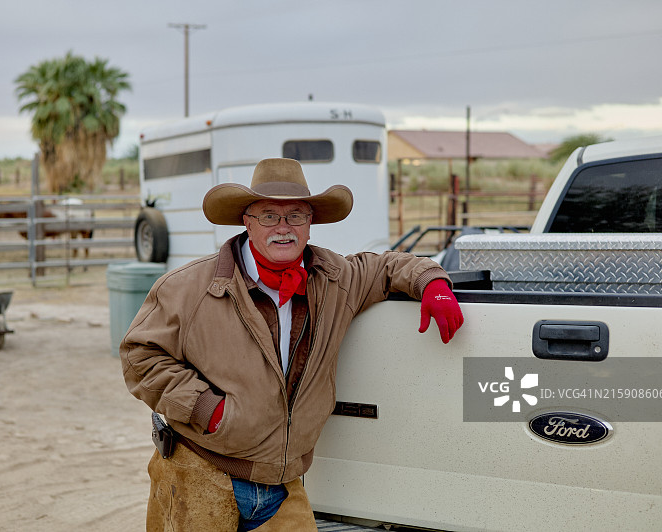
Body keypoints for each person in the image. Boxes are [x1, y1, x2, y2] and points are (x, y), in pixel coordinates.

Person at [120, 158, 464, 531]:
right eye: (269, 216)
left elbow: (387, 267)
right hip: (200, 469)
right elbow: (139, 356)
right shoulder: (187, 287)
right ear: (247, 222)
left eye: (296, 216)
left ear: (310, 224)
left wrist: (433, 284)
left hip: (283, 482)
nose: (283, 228)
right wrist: (207, 409)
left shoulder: (336, 279)